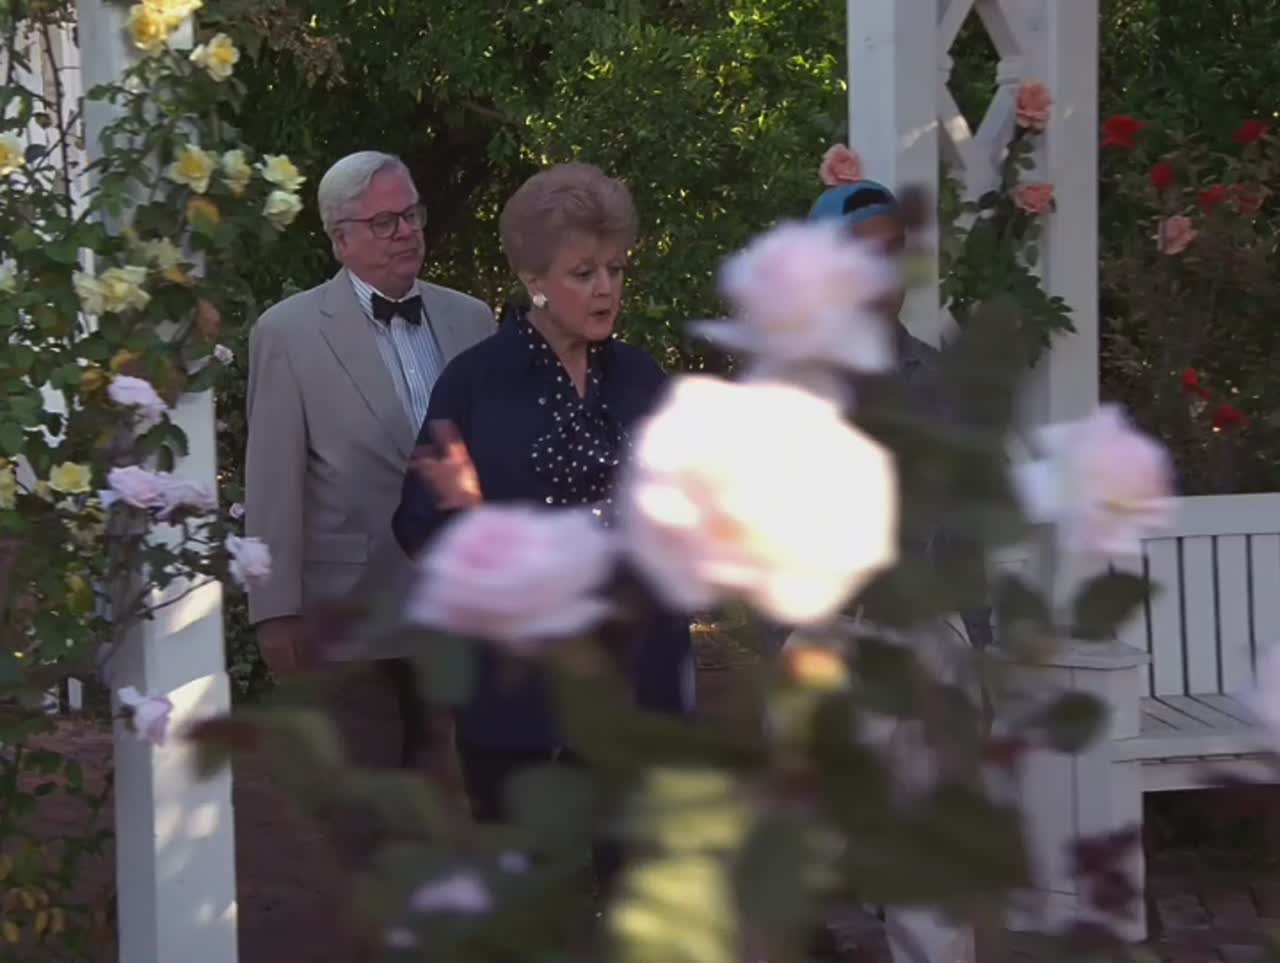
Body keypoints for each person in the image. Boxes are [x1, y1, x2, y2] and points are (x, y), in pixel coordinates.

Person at [391, 162, 693, 823]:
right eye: (583, 273)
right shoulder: (476, 384)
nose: (606, 288)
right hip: (518, 683)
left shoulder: (641, 379)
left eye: (615, 268)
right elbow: (420, 525)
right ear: (534, 279)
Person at [244, 150, 494, 778]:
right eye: (385, 222)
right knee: (367, 801)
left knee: (454, 795)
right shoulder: (288, 332)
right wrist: (274, 611)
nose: (407, 232)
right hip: (348, 617)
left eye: (411, 214)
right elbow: (272, 481)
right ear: (340, 239)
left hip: (457, 610)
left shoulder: (472, 319)